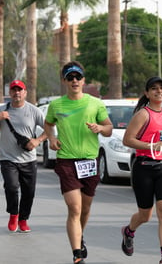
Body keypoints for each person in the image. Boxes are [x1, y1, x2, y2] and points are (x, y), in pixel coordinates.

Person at [43, 61, 113, 264]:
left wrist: (100, 128)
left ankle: (79, 236)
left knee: (85, 208)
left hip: (90, 161)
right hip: (66, 161)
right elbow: (48, 124)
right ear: (64, 80)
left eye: (78, 77)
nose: (74, 80)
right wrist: (52, 138)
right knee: (74, 208)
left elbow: (108, 127)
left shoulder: (95, 103)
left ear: (83, 80)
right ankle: (77, 255)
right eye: (70, 77)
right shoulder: (56, 105)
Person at [122, 76, 162, 264]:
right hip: (144, 168)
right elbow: (127, 140)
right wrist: (151, 146)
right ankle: (129, 231)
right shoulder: (143, 114)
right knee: (145, 215)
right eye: (154, 89)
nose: (159, 91)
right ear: (147, 93)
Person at [0, 80, 47, 233]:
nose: (17, 93)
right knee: (11, 187)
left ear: (25, 93)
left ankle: (23, 219)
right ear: (9, 93)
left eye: (20, 90)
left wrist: (37, 140)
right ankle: (13, 214)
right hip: (8, 159)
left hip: (29, 159)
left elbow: (49, 130)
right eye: (14, 90)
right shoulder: (1, 110)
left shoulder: (34, 111)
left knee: (29, 192)